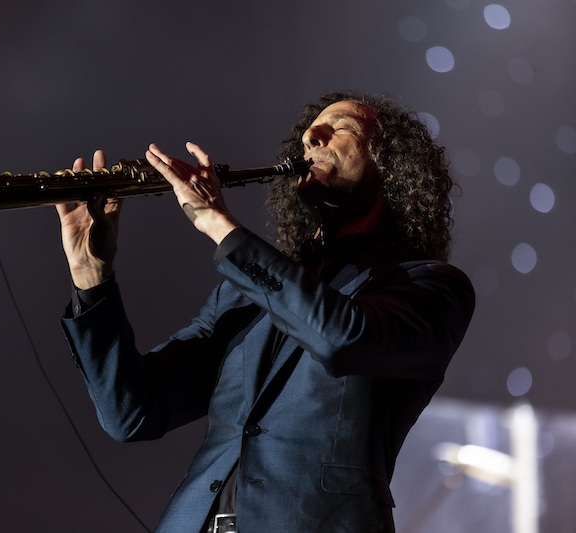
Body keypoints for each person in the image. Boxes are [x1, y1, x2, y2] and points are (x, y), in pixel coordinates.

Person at [56, 91, 475, 533]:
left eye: (342, 127)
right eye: (310, 131)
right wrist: (91, 276)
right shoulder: (246, 291)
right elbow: (132, 412)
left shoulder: (431, 286)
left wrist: (217, 222)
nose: (311, 137)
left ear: (390, 163)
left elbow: (343, 339)